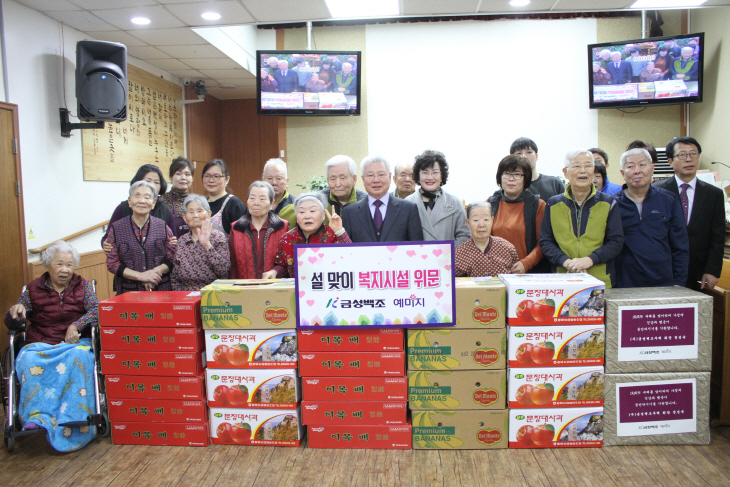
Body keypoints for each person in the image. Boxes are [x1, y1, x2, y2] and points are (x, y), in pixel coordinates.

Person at [4, 240, 99, 450]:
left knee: (81, 357)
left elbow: (96, 311)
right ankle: (37, 418)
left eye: (69, 265)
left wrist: (77, 324)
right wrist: (16, 311)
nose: (65, 270)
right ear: (48, 265)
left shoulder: (82, 286)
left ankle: (74, 415)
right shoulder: (32, 289)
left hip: (74, 343)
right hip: (41, 342)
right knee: (27, 358)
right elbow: (16, 321)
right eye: (59, 264)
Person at [540, 149, 624, 288]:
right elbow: (546, 241)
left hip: (600, 281)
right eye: (577, 166)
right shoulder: (553, 203)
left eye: (588, 165)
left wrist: (589, 260)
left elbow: (616, 241)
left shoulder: (609, 203)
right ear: (565, 172)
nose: (583, 170)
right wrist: (567, 262)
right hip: (562, 279)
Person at [654, 136, 725, 290]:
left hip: (698, 270)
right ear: (670, 161)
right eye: (682, 155)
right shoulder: (657, 191)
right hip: (663, 268)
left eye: (693, 154)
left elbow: (717, 237)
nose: (689, 159)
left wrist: (712, 270)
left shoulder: (714, 194)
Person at [614, 148, 689, 288]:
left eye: (642, 165)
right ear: (622, 173)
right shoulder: (612, 203)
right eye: (630, 166)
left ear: (652, 168)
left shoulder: (669, 200)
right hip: (624, 282)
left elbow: (680, 244)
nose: (637, 170)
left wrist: (679, 282)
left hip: (663, 281)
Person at [106, 181, 176, 294]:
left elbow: (172, 259)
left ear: (153, 203)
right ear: (129, 201)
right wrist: (140, 276)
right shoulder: (116, 228)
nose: (142, 201)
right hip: (128, 292)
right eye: (137, 196)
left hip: (161, 290)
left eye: (147, 197)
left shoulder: (163, 227)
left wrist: (153, 274)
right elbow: (112, 263)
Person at [486, 155, 547, 273]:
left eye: (517, 174)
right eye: (507, 174)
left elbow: (543, 243)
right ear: (500, 177)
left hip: (526, 272)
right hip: (494, 273)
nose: (511, 178)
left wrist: (526, 263)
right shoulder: (489, 204)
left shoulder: (538, 205)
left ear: (526, 179)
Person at [343, 156, 423, 243]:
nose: (376, 180)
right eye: (370, 175)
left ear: (390, 177)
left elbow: (417, 248)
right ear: (363, 179)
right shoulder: (350, 212)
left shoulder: (408, 209)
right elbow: (347, 251)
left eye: (381, 174)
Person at [272, 193, 352, 278]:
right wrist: (275, 271)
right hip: (299, 289)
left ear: (323, 216)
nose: (307, 216)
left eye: (312, 211)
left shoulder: (333, 235)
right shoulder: (287, 238)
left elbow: (351, 257)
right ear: (297, 218)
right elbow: (283, 266)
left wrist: (339, 231)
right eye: (302, 212)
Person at [405, 150, 471, 246]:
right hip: (417, 259)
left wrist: (446, 253)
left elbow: (464, 236)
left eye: (435, 172)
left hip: (449, 259)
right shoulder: (407, 203)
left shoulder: (454, 203)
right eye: (425, 172)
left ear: (442, 175)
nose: (430, 177)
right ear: (418, 175)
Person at [101, 164, 174, 249]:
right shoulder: (123, 208)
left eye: (156, 182)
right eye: (147, 181)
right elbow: (107, 238)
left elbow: (172, 240)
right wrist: (106, 244)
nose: (152, 185)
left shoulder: (165, 210)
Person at [229, 182, 289, 279]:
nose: (256, 203)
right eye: (252, 198)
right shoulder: (236, 228)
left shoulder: (283, 227)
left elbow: (289, 262)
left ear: (272, 203)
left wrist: (276, 271)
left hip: (274, 289)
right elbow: (232, 266)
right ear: (247, 201)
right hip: (244, 290)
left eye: (262, 199)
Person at [171, 194, 230, 291]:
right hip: (186, 296)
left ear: (209, 214)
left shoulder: (218, 237)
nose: (195, 216)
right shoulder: (182, 241)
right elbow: (175, 277)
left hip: (213, 294)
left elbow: (223, 270)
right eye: (191, 212)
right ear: (185, 218)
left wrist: (207, 245)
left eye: (199, 211)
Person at [455, 202, 520, 277]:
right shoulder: (459, 253)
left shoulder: (507, 248)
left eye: (486, 219)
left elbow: (516, 279)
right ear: (468, 223)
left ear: (492, 220)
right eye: (476, 220)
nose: (481, 225)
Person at [510, 137, 565, 202]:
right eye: (519, 153)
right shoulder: (510, 185)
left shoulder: (554, 183)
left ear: (536, 156)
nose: (524, 156)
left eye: (529, 152)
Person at [202, 159, 246, 235]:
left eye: (216, 176)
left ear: (227, 179)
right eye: (207, 176)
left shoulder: (234, 204)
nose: (211, 180)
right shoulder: (201, 204)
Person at [318, 155, 367, 223]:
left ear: (354, 179)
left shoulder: (365, 202)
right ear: (328, 180)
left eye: (342, 178)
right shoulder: (318, 200)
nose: (337, 184)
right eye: (333, 179)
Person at [160, 156, 194, 237]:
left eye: (187, 174)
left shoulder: (196, 201)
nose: (183, 178)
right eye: (178, 174)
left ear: (192, 178)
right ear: (171, 177)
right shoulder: (162, 200)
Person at [263, 158, 296, 227]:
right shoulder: (256, 204)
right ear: (263, 180)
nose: (274, 183)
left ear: (287, 181)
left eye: (279, 178)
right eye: (269, 178)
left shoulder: (296, 206)